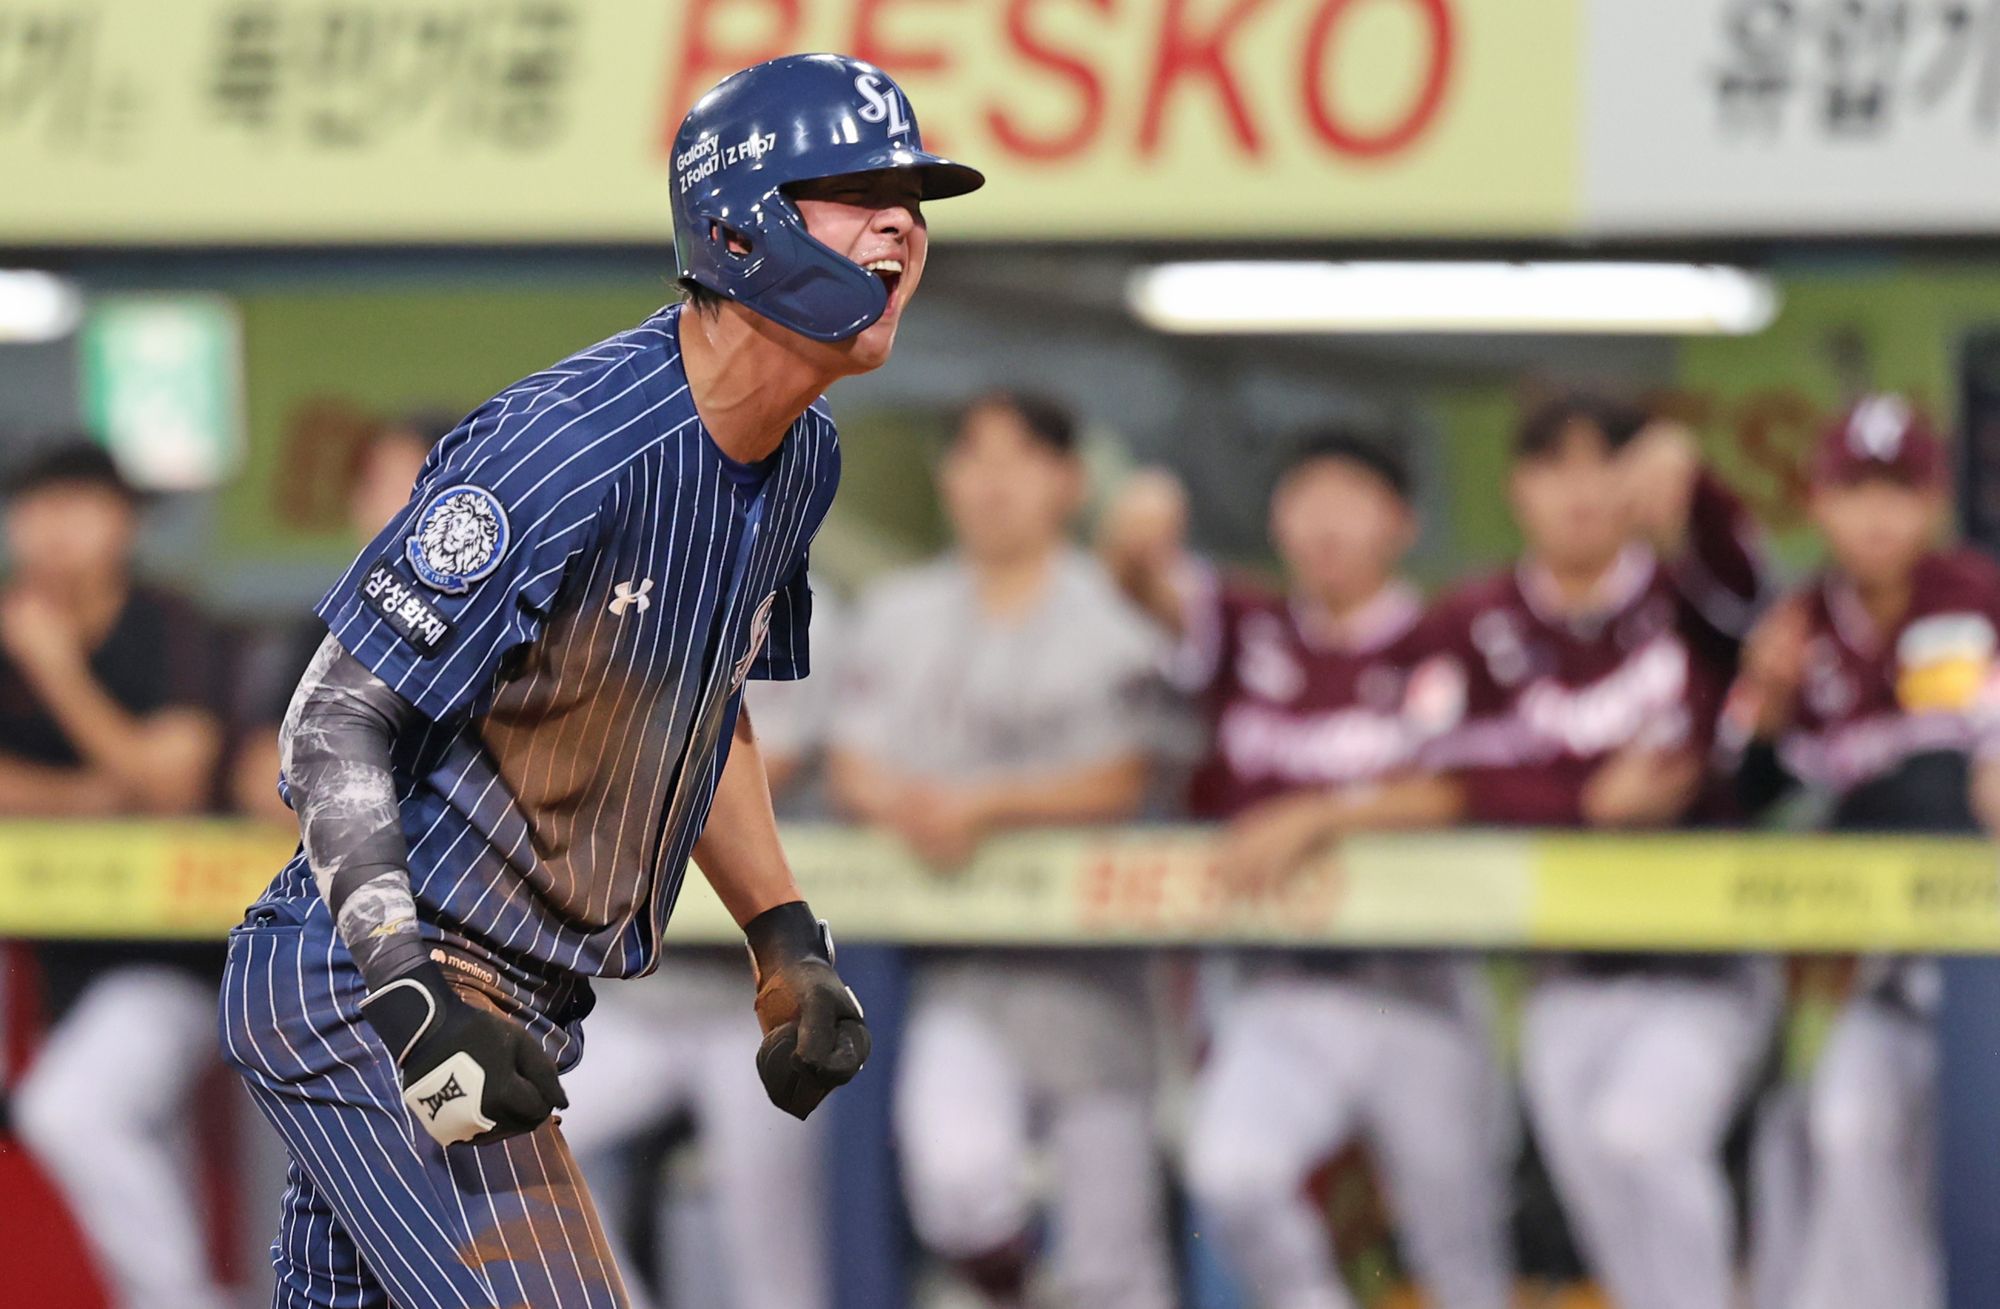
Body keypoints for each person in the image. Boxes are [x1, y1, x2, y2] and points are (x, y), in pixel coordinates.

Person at [216, 53, 982, 1308]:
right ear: (737, 229)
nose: (900, 224)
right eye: (855, 192)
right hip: (375, 982)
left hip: (516, 995)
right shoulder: (564, 446)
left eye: (911, 200)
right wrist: (409, 996)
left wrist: (783, 936)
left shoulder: (801, 459)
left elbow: (701, 709)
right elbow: (330, 721)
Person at [1100, 433, 1513, 1309]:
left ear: (1402, 522)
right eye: (1305, 499)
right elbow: (1139, 578)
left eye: (1351, 499)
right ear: (1278, 520)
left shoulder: (1449, 633)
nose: (1326, 521)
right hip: (1278, 984)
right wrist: (1137, 527)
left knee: (1458, 1250)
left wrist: (1318, 816)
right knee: (1232, 1170)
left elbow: (1461, 789)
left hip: (1422, 985)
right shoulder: (1250, 625)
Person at [1406, 393, 1775, 1309]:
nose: (1579, 489)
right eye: (1553, 465)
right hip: (1562, 968)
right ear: (1516, 487)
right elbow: (1447, 780)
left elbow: (1744, 588)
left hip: (1706, 960)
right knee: (1599, 1194)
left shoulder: (1686, 596)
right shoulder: (1471, 619)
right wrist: (1584, 800)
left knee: (1643, 1137)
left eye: (1602, 462)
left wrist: (1698, 483)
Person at [828, 391, 1171, 1309]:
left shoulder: (1115, 611)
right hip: (963, 966)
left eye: (1018, 459)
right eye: (973, 457)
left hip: (1099, 974)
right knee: (956, 1183)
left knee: (1113, 1263)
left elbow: (1125, 777)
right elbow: (853, 763)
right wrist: (914, 808)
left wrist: (986, 806)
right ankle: (1018, 1293)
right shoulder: (901, 608)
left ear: (1069, 479)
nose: (992, 482)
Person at [1730, 396, 1995, 1309]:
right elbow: (1750, 795)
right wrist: (1766, 709)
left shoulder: (1981, 598)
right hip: (1874, 966)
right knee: (1842, 1127)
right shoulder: (1795, 627)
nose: (1877, 514)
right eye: (1855, 489)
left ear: (1935, 499)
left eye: (1900, 489)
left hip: (1983, 963)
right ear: (1817, 501)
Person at [559, 587, 845, 1309]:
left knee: (773, 1257)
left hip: (757, 1001)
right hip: (638, 995)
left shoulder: (797, 602)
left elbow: (767, 763)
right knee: (511, 1135)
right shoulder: (619, 595)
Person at [1, 441, 228, 1309]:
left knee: (72, 1109)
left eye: (79, 506)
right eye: (36, 507)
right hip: (46, 965)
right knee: (125, 1132)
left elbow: (172, 785)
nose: (54, 530)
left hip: (185, 956)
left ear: (125, 523)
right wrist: (100, 793)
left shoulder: (169, 623)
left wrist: (57, 668)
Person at [230, 413, 446, 824]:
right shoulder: (329, 626)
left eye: (404, 486)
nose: (378, 508)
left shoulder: (507, 628)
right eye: (372, 485)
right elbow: (259, 779)